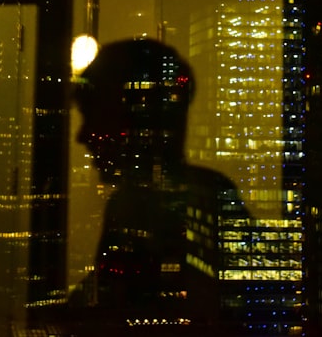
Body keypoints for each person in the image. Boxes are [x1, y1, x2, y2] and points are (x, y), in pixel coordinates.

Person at [66, 39, 248, 335]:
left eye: (95, 116)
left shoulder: (191, 202)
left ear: (137, 120)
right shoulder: (133, 204)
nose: (83, 135)